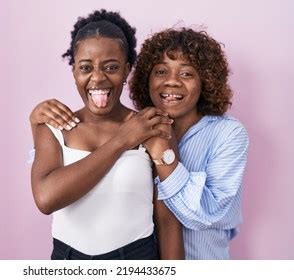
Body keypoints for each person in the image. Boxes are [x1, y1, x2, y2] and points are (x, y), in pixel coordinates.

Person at [30, 27, 249, 259]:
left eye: (186, 74)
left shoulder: (225, 134)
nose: (171, 82)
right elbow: (47, 190)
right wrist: (36, 125)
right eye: (161, 71)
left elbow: (192, 215)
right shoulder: (141, 127)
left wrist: (163, 158)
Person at [30, 9, 184, 260]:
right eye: (86, 67)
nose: (98, 78)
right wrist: (123, 140)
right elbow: (46, 199)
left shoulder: (151, 127)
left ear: (126, 70)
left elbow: (167, 221)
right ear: (74, 72)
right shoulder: (52, 126)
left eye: (111, 67)